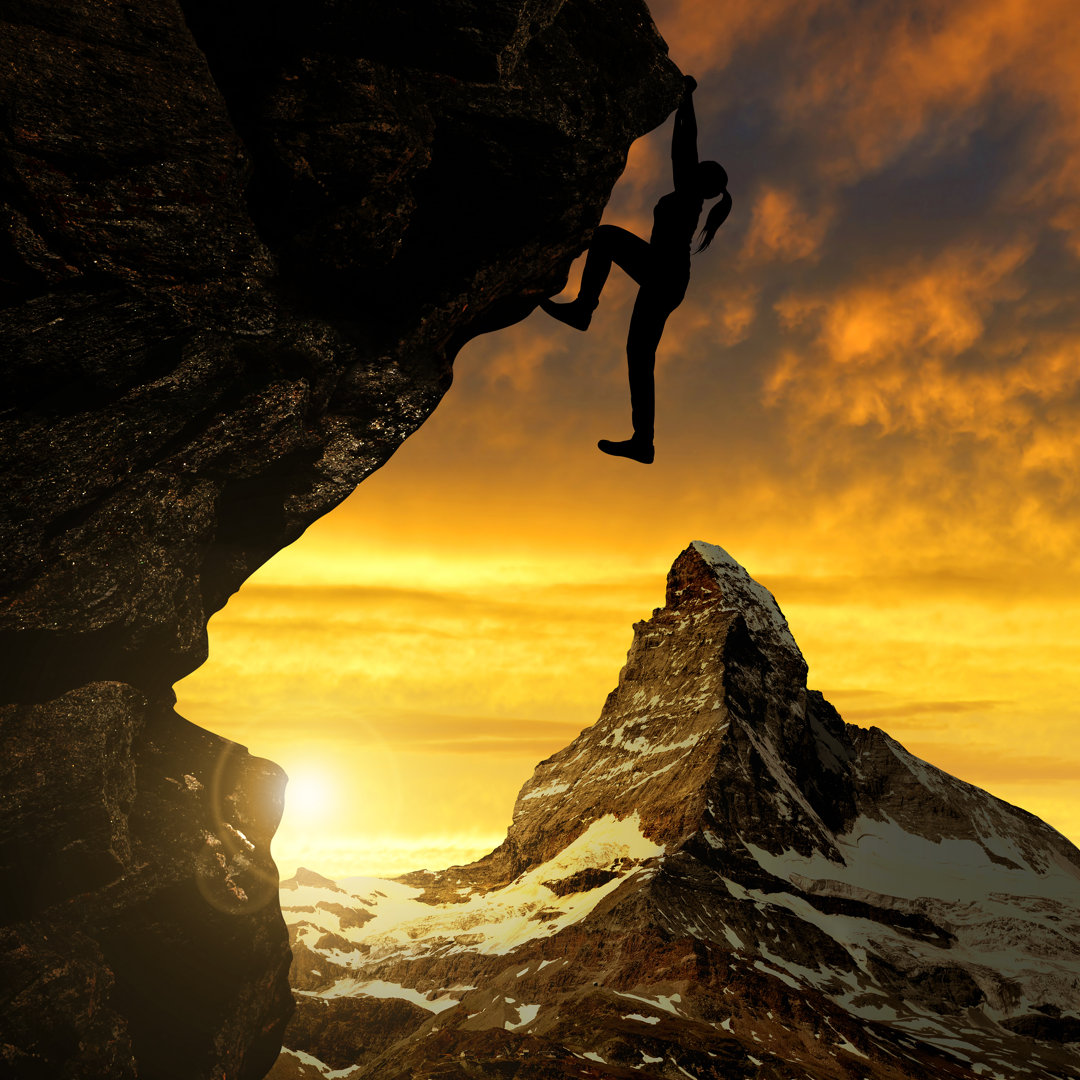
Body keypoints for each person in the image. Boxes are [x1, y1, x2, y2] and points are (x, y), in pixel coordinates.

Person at [540, 75, 731, 464]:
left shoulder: (690, 192)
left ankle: (583, 309)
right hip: (668, 276)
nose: (692, 167)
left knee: (607, 238)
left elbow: (685, 145)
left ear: (703, 182)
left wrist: (686, 100)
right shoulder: (689, 194)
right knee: (639, 354)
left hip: (664, 273)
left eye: (699, 169)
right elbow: (686, 148)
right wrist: (684, 102)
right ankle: (643, 441)